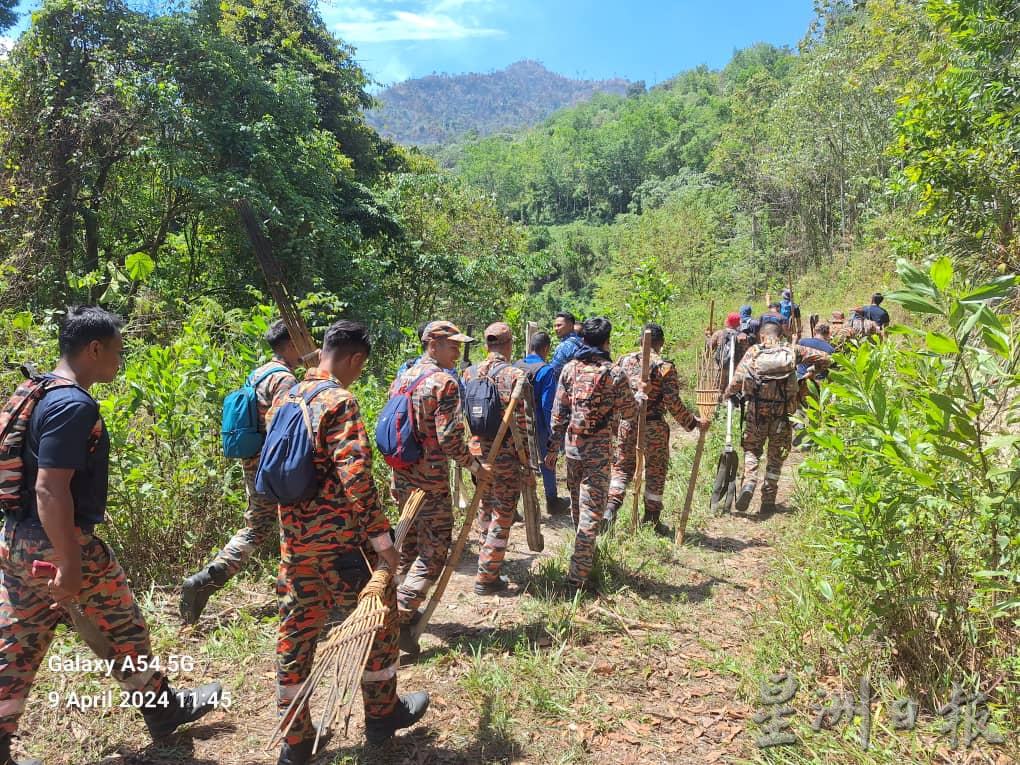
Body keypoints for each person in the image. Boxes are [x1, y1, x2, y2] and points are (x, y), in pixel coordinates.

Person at [0, 307, 221, 765]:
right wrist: (69, 563)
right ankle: (162, 711)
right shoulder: (72, 406)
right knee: (123, 626)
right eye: (118, 351)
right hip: (58, 542)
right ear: (95, 349)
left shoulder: (38, 389)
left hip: (18, 539)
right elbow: (50, 488)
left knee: (15, 645)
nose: (120, 361)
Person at [270, 320, 428, 763]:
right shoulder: (339, 401)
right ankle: (382, 716)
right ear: (355, 359)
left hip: (295, 545)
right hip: (343, 548)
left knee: (296, 636)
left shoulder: (285, 396)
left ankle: (295, 739)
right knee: (379, 624)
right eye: (361, 366)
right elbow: (354, 474)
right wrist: (382, 539)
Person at [180, 320, 300, 624]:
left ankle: (206, 579)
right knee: (295, 525)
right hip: (274, 467)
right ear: (290, 344)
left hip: (252, 463)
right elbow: (281, 428)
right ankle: (298, 597)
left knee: (256, 526)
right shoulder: (284, 379)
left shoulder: (258, 373)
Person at [389, 321, 491, 649]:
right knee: (433, 552)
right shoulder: (443, 382)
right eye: (452, 345)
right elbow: (449, 439)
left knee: (408, 548)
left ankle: (397, 607)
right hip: (430, 482)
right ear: (432, 344)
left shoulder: (402, 377)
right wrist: (475, 466)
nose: (457, 351)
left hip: (402, 478)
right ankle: (397, 617)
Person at [545, 318, 635, 594]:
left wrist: (552, 450)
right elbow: (630, 412)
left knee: (578, 506)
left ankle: (583, 556)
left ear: (583, 340)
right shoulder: (614, 373)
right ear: (607, 341)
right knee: (591, 512)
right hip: (598, 451)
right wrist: (640, 395)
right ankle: (578, 577)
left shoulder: (570, 369)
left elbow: (558, 414)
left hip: (573, 448)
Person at [606, 323, 708, 535]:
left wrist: (615, 424)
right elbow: (672, 402)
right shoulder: (665, 367)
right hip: (653, 427)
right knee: (655, 470)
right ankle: (651, 520)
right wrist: (692, 423)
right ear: (661, 343)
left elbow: (613, 393)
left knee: (622, 468)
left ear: (640, 341)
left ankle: (610, 509)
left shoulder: (623, 361)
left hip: (627, 424)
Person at [725, 322, 831, 514]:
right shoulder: (792, 350)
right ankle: (768, 500)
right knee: (776, 457)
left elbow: (737, 381)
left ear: (762, 336)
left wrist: (726, 396)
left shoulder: (754, 352)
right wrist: (812, 372)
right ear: (781, 336)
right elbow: (826, 358)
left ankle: (749, 483)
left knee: (752, 450)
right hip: (782, 415)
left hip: (756, 414)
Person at [462, 323, 531, 596]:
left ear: (486, 345)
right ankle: (487, 575)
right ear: (509, 344)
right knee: (503, 513)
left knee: (485, 507)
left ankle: (486, 559)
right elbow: (522, 424)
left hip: (477, 452)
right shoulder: (515, 375)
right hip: (505, 454)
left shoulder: (469, 373)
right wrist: (526, 459)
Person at [515, 332, 568, 515]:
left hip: (516, 423)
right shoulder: (546, 370)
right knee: (548, 461)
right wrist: (553, 433)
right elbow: (547, 406)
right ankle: (552, 501)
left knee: (517, 462)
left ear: (531, 347)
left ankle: (512, 507)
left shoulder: (516, 366)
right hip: (539, 424)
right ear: (546, 349)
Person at [708, 312, 750, 394]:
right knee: (733, 390)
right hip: (736, 369)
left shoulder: (719, 333)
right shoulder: (743, 336)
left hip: (720, 367)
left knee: (718, 389)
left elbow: (709, 347)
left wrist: (708, 336)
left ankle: (717, 401)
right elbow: (746, 353)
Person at [549, 312, 584, 381]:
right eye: (555, 326)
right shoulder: (582, 341)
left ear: (570, 326)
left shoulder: (563, 346)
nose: (556, 329)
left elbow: (553, 371)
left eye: (559, 325)